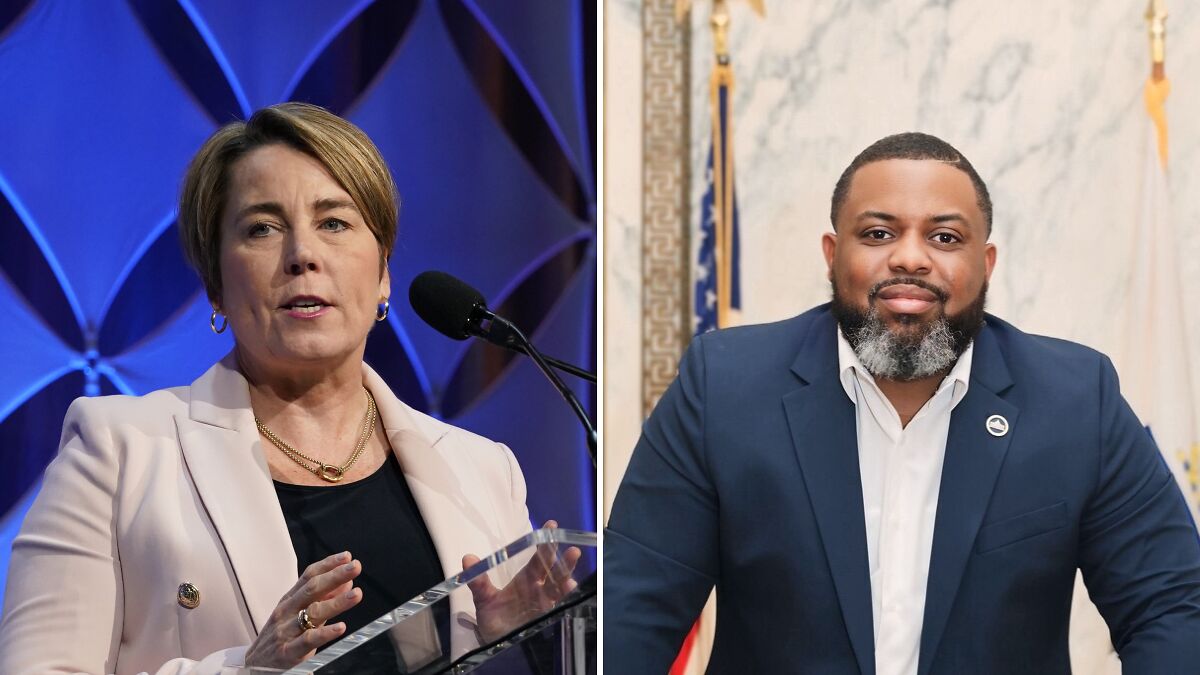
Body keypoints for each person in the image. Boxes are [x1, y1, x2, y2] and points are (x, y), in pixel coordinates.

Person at [0, 102, 578, 674]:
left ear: (383, 273)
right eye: (262, 228)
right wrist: (246, 669)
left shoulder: (481, 471)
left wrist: (508, 648)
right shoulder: (120, 453)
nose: (302, 255)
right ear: (216, 286)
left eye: (334, 223)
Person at [604, 132, 1200, 674]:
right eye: (878, 234)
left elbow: (1171, 607)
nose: (910, 258)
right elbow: (633, 608)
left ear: (985, 263)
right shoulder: (725, 386)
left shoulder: (1075, 400)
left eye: (945, 237)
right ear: (832, 254)